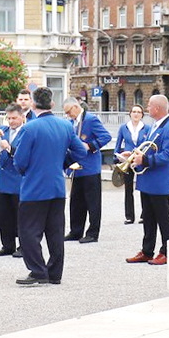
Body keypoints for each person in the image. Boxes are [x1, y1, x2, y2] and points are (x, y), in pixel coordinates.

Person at [11, 86, 73, 286]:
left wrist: (26, 171)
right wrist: (61, 162)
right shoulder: (65, 125)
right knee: (55, 233)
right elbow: (80, 152)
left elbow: (20, 161)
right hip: (57, 186)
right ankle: (55, 273)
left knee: (28, 232)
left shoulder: (30, 128)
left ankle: (38, 271)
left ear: (33, 104)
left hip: (34, 187)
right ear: (52, 104)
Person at [127, 93, 169, 266]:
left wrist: (145, 160)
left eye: (149, 105)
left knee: (163, 217)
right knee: (148, 217)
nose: (147, 108)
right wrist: (134, 154)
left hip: (159, 181)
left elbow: (168, 155)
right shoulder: (154, 126)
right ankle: (147, 250)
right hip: (148, 179)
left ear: (157, 108)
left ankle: (166, 251)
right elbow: (149, 149)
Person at [62, 97, 110, 244]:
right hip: (76, 168)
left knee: (93, 203)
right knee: (76, 202)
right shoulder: (71, 123)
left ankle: (93, 233)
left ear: (76, 107)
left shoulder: (90, 119)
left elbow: (106, 136)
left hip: (90, 168)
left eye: (69, 112)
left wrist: (90, 146)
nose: (68, 115)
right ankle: (76, 231)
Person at [0, 105, 25, 258]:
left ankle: (24, 246)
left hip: (18, 180)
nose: (11, 121)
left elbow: (25, 154)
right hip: (3, 180)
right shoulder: (4, 130)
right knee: (4, 216)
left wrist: (9, 148)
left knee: (20, 216)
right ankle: (7, 245)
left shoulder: (26, 132)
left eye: (14, 118)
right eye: (9, 118)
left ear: (22, 117)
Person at [112, 105, 145, 224]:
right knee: (128, 189)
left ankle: (145, 215)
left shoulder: (147, 128)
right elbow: (118, 145)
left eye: (139, 112)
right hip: (127, 161)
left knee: (144, 188)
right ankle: (129, 216)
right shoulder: (123, 128)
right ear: (130, 114)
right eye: (134, 111)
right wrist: (117, 157)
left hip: (140, 161)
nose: (136, 114)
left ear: (142, 115)